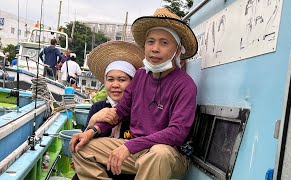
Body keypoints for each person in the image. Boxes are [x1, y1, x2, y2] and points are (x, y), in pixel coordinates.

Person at [70, 8, 198, 180]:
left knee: (159, 154)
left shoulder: (185, 85)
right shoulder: (140, 76)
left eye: (164, 43)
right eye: (150, 42)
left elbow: (177, 132)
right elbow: (120, 112)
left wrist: (130, 147)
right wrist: (91, 131)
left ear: (177, 50)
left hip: (169, 153)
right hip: (136, 149)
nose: (155, 49)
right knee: (81, 147)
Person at [70, 41, 144, 180]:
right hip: (97, 168)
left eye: (122, 80)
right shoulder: (98, 107)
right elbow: (84, 143)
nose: (115, 85)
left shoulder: (138, 109)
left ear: (133, 84)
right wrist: (93, 120)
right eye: (110, 79)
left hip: (125, 170)